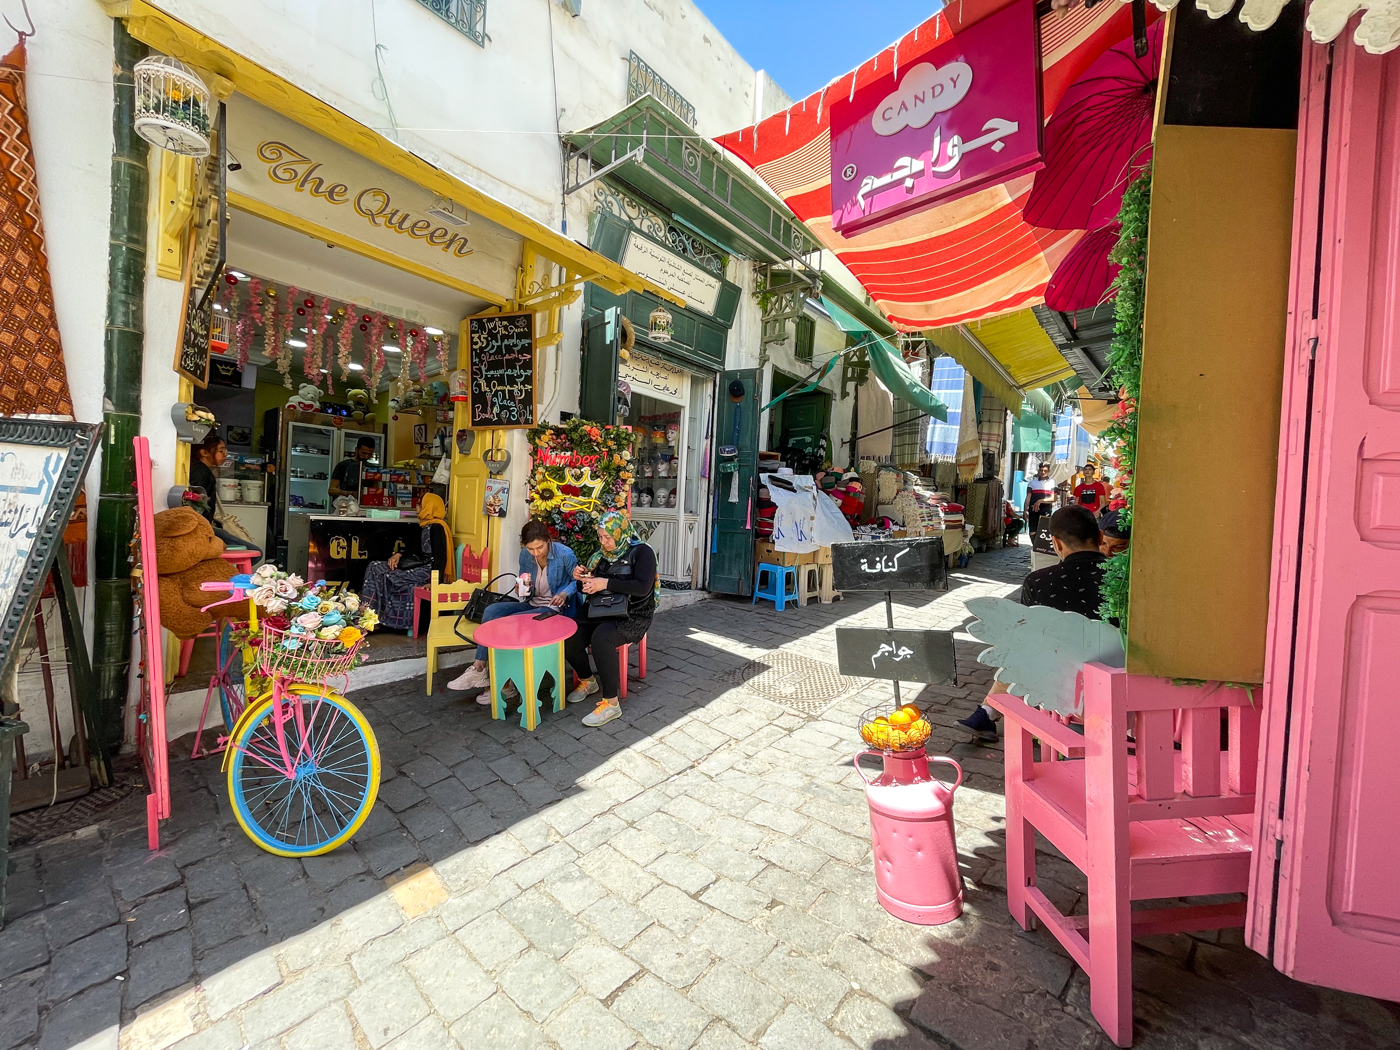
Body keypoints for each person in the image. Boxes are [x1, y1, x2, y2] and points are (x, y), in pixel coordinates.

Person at [957, 506, 1107, 741]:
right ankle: (986, 712)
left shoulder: (1040, 581)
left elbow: (1026, 634)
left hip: (1058, 677)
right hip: (1116, 672)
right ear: (1100, 537)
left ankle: (987, 711)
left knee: (1023, 650)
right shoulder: (1125, 581)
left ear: (1056, 543)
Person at [448, 520, 579, 697]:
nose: (536, 553)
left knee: (511, 623)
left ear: (548, 540)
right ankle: (479, 668)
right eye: (530, 549)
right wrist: (522, 588)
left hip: (555, 609)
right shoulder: (525, 555)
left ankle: (506, 684)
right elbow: (524, 588)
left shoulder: (565, 554)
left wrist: (563, 594)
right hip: (532, 604)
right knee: (492, 611)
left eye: (539, 547)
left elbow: (577, 581)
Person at [564, 510, 657, 728]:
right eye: (600, 537)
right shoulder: (600, 557)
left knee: (601, 638)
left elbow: (643, 588)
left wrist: (605, 583)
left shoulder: (642, 552)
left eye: (608, 537)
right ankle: (588, 681)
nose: (603, 542)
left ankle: (611, 703)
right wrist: (582, 579)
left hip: (634, 612)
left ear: (620, 532)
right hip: (601, 608)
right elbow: (589, 587)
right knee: (570, 632)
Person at [360, 492, 453, 630]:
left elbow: (440, 558)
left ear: (428, 507)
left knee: (386, 575)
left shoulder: (437, 528)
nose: (416, 506)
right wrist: (398, 555)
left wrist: (433, 582)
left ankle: (380, 620)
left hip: (426, 571)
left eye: (419, 504)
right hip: (419, 566)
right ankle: (369, 616)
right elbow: (415, 550)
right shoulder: (425, 525)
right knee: (374, 566)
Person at [188, 431, 263, 559]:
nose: (225, 455)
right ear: (204, 452)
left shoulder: (200, 469)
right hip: (201, 530)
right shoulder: (201, 471)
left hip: (203, 527)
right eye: (221, 451)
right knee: (255, 554)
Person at [1024, 461, 1056, 535]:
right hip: (1033, 510)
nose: (1043, 472)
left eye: (1045, 471)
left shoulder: (1052, 482)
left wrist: (1040, 501)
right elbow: (1028, 498)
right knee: (1032, 531)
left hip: (1045, 510)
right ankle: (1034, 546)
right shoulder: (1032, 483)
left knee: (1044, 531)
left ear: (1048, 471)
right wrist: (1025, 511)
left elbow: (1053, 498)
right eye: (1041, 470)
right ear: (1038, 471)